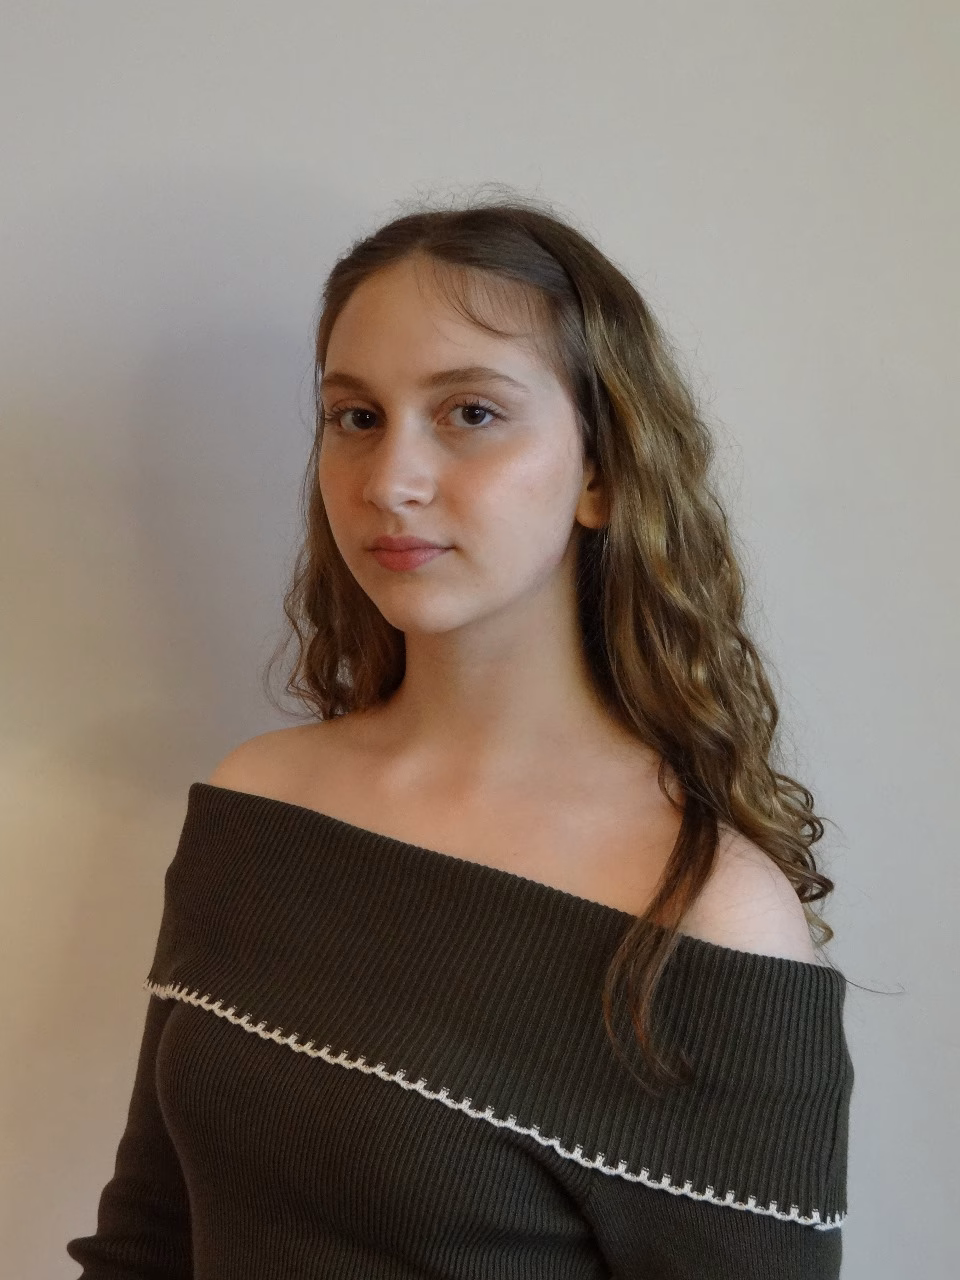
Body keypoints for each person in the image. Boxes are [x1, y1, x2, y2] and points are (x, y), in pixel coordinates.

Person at [66, 192, 853, 1278]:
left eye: (471, 412)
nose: (390, 481)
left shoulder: (705, 914)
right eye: (356, 417)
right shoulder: (259, 802)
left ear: (599, 471)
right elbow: (144, 1244)